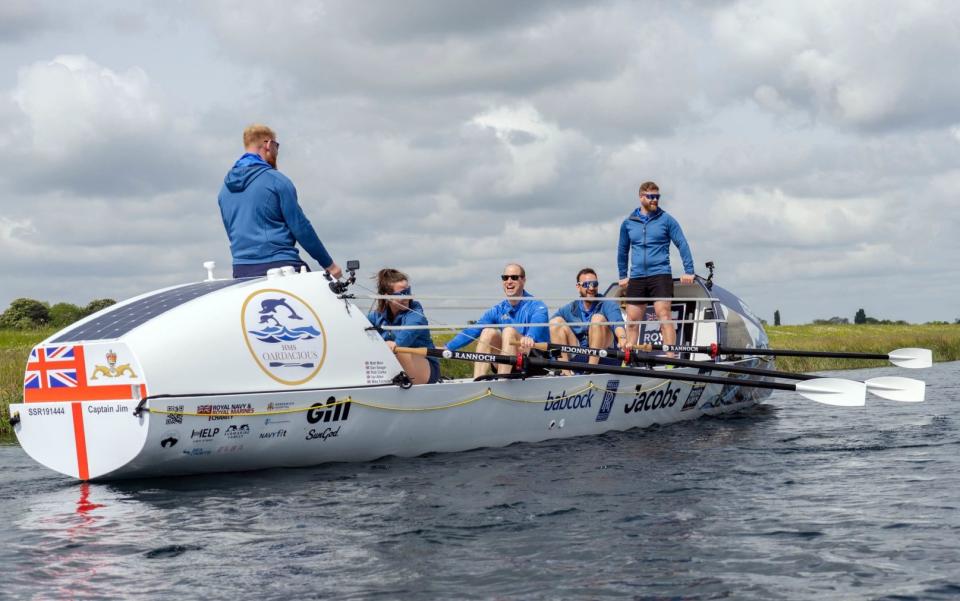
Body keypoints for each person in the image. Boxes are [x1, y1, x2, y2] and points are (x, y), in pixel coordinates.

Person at [218, 124, 342, 279]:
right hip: (281, 266)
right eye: (277, 146)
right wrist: (329, 264)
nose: (277, 151)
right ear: (268, 144)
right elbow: (301, 228)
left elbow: (232, 232)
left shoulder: (224, 190)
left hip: (241, 272)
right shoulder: (277, 181)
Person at [617, 181, 695, 356]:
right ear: (641, 197)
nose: (655, 200)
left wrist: (689, 271)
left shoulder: (666, 219)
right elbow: (622, 250)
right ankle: (630, 359)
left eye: (657, 197)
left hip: (660, 274)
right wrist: (622, 274)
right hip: (636, 276)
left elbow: (682, 243)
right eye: (651, 197)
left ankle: (671, 359)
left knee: (664, 316)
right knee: (632, 321)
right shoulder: (628, 223)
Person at [444, 263, 549, 377]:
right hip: (512, 360)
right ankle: (477, 381)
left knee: (508, 331)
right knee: (487, 332)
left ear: (523, 280)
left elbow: (538, 323)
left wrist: (530, 337)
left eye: (514, 277)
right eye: (505, 278)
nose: (509, 281)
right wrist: (447, 348)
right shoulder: (498, 309)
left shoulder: (537, 306)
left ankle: (501, 382)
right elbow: (473, 330)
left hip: (534, 360)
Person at [366, 269, 440, 385]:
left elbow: (408, 333)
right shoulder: (375, 316)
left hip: (425, 366)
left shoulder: (416, 315)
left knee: (399, 352)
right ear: (387, 297)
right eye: (401, 294)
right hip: (394, 365)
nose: (406, 297)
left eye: (408, 292)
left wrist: (395, 344)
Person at [550, 268, 627, 366]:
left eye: (594, 284)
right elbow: (550, 328)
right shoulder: (570, 308)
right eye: (587, 284)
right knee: (555, 323)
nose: (591, 288)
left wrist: (622, 337)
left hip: (606, 355)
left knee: (597, 319)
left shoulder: (608, 304)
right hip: (580, 354)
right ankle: (565, 373)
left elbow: (618, 323)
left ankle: (591, 369)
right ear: (578, 287)